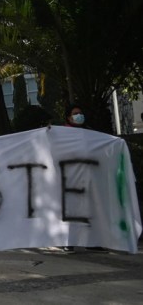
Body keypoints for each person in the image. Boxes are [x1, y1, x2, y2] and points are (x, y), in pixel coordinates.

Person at [60, 104, 106, 254]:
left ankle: (91, 241)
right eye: (75, 113)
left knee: (90, 209)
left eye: (80, 113)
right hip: (69, 176)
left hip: (87, 175)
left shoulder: (89, 133)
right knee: (70, 210)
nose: (79, 116)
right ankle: (68, 241)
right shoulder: (61, 134)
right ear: (68, 117)